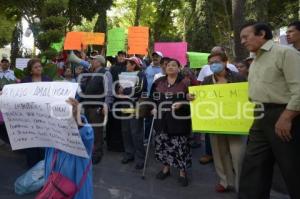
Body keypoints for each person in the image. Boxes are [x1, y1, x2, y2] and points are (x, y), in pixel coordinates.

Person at [239, 22, 300, 199]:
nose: (242, 41)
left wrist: (287, 117)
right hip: (260, 116)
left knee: (292, 168)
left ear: (262, 34)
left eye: (246, 36)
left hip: (285, 115)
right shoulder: (255, 59)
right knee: (253, 166)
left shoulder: (286, 53)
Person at [194, 52, 247, 193]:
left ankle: (239, 184)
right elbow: (201, 99)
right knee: (219, 154)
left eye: (216, 62)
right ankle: (225, 181)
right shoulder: (206, 80)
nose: (213, 65)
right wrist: (192, 97)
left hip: (235, 123)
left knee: (238, 155)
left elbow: (247, 97)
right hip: (215, 123)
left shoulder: (238, 78)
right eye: (210, 63)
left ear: (225, 62)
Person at [150, 59, 192, 187]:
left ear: (179, 68)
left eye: (174, 65)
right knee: (163, 145)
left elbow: (194, 101)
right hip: (161, 120)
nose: (170, 67)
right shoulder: (158, 82)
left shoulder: (185, 83)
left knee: (180, 147)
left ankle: (182, 172)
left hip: (179, 121)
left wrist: (183, 103)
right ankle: (166, 169)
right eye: (168, 65)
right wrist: (152, 107)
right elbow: (151, 98)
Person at [44, 98, 94, 199]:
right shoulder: (52, 133)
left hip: (74, 189)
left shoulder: (84, 133)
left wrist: (78, 120)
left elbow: (87, 136)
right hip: (53, 187)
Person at [197, 46, 238, 165]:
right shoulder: (205, 70)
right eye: (212, 54)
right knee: (212, 136)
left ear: (224, 58)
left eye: (217, 54)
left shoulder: (233, 70)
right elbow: (200, 86)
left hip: (232, 112)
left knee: (233, 144)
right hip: (212, 111)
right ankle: (209, 154)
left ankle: (232, 162)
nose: (213, 64)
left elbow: (241, 90)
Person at [81, 55, 113, 164]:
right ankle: (90, 151)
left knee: (97, 132)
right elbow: (84, 88)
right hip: (88, 106)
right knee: (88, 131)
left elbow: (109, 91)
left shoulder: (106, 73)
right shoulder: (91, 73)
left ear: (99, 62)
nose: (91, 61)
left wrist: (106, 105)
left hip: (97, 107)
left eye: (93, 60)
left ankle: (97, 154)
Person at [21, 58, 52, 168]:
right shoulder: (25, 81)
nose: (39, 68)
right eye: (36, 67)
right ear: (31, 70)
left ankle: (44, 166)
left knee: (44, 143)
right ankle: (32, 166)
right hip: (30, 118)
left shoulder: (48, 79)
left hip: (45, 117)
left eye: (40, 66)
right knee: (31, 144)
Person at [117, 56, 147, 170]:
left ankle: (140, 158)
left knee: (136, 132)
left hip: (135, 106)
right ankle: (129, 154)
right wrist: (121, 91)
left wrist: (124, 90)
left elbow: (138, 89)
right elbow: (119, 89)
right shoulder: (125, 74)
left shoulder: (141, 75)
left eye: (128, 63)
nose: (126, 65)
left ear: (134, 64)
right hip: (125, 105)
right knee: (126, 131)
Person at [106, 51, 127, 152]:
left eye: (123, 56)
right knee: (113, 122)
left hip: (125, 99)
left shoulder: (128, 67)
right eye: (120, 56)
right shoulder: (112, 68)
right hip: (114, 99)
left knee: (123, 124)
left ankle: (123, 145)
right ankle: (112, 145)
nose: (121, 57)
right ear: (117, 57)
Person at [0, 58, 16, 143]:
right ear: (0, 64)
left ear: (8, 64)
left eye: (6, 63)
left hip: (9, 97)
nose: (5, 64)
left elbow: (15, 83)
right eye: (3, 63)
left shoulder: (12, 73)